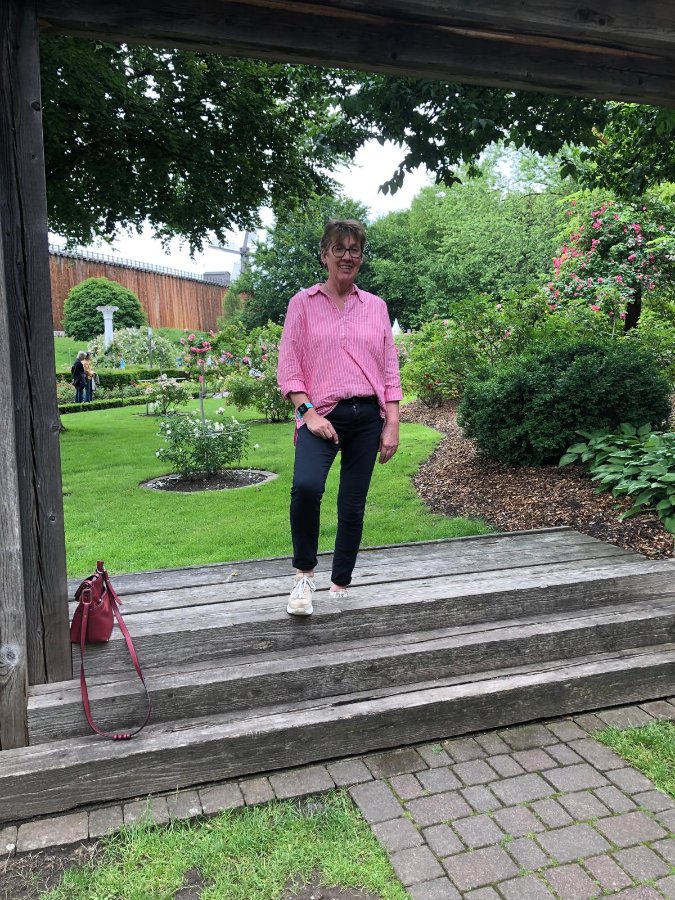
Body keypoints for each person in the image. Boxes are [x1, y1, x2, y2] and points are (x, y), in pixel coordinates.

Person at [277, 218, 402, 616]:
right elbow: (289, 368)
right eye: (339, 249)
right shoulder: (302, 304)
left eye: (355, 250)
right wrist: (308, 414)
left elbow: (389, 368)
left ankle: (340, 584)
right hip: (320, 415)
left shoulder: (376, 307)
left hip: (367, 417)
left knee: (352, 503)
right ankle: (304, 575)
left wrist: (392, 423)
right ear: (325, 255)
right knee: (306, 487)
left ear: (361, 257)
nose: (347, 256)